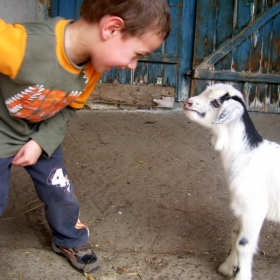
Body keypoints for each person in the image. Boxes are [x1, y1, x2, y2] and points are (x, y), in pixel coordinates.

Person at [0, 0, 171, 274]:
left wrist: (41, 142)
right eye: (136, 54)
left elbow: (67, 111)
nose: (133, 66)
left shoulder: (92, 67)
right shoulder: (23, 46)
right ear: (112, 28)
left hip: (41, 131)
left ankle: (69, 239)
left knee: (61, 193)